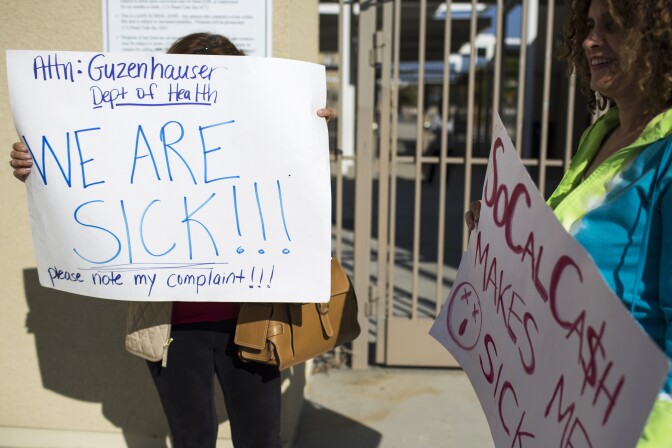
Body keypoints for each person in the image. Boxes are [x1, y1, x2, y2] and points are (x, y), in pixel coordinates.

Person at [9, 32, 334, 448]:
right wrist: (41, 163)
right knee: (191, 438)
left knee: (260, 438)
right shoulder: (135, 132)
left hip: (254, 322)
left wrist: (310, 133)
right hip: (172, 329)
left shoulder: (264, 134)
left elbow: (298, 194)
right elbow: (93, 163)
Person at [466, 0, 672, 445]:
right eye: (590, 26)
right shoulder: (602, 133)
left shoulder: (668, 155)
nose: (591, 40)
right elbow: (563, 250)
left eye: (613, 27)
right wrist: (502, 238)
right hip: (559, 408)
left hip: (628, 425)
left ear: (659, 39)